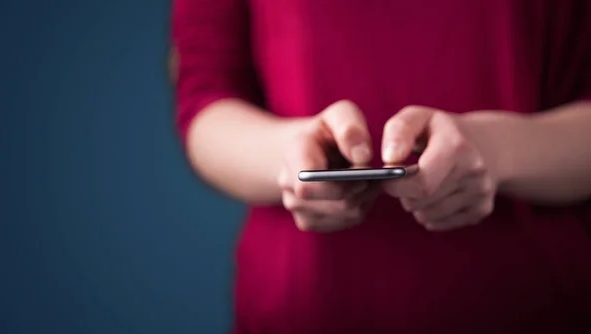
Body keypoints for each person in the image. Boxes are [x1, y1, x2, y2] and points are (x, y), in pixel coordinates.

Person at [171, 0, 591, 333]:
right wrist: (292, 156)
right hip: (298, 310)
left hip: (541, 306)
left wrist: (499, 151)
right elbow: (206, 101)